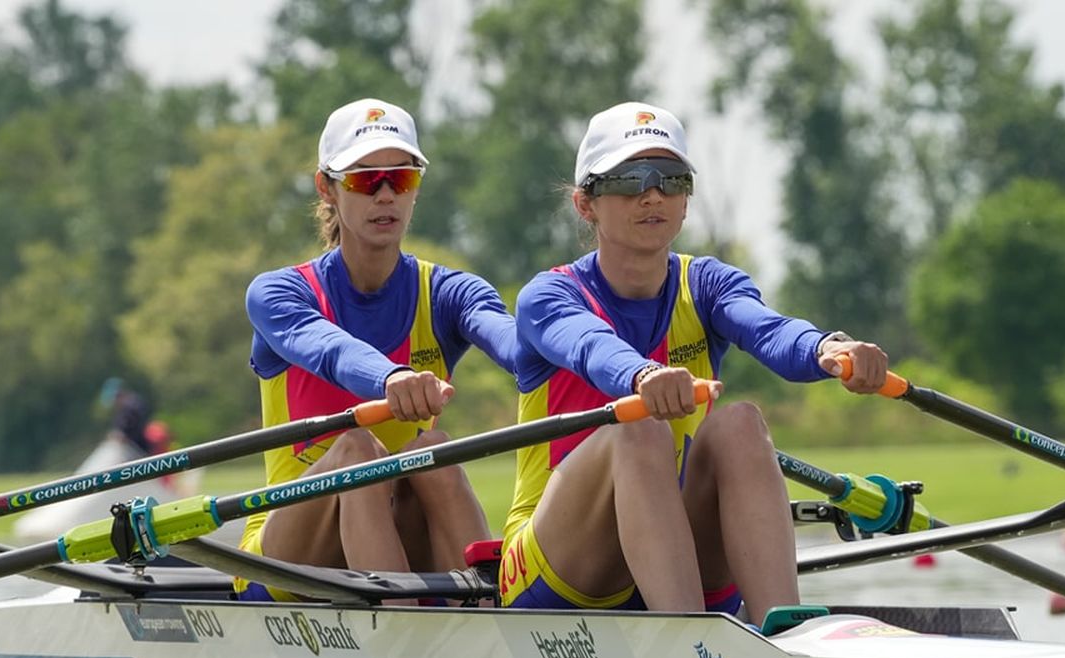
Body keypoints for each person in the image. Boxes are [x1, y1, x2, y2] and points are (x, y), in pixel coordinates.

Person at [499, 102, 890, 625]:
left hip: (672, 555)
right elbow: (592, 346)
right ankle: (692, 645)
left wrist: (828, 349)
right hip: (557, 572)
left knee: (741, 424)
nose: (653, 193)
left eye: (671, 178)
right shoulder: (548, 297)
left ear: (686, 200)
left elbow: (768, 329)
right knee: (639, 428)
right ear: (585, 204)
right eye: (629, 178)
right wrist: (644, 376)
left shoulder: (708, 284)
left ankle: (783, 628)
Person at [236, 98, 517, 602]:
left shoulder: (450, 292)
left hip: (394, 535)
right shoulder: (278, 293)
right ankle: (402, 628)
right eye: (366, 180)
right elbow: (329, 349)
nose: (385, 195)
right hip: (289, 558)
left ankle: (492, 617)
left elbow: (515, 344)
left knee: (434, 449)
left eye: (401, 179)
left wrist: (623, 374)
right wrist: (391, 380)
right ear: (328, 188)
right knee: (358, 448)